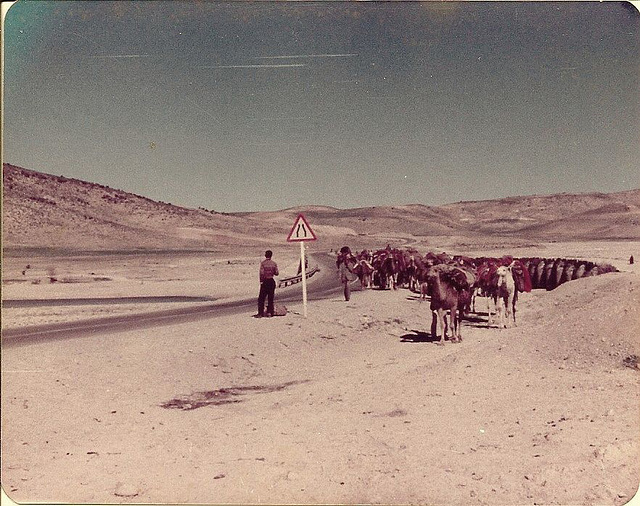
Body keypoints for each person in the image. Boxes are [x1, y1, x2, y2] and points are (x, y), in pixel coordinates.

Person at [257, 250, 279, 317]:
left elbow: (261, 273)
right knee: (270, 298)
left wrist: (261, 281)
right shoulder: (274, 263)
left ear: (265, 255)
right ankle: (270, 312)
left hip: (265, 281)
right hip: (271, 281)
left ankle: (260, 313)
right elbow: (277, 273)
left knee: (261, 298)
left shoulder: (263, 263)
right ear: (271, 255)